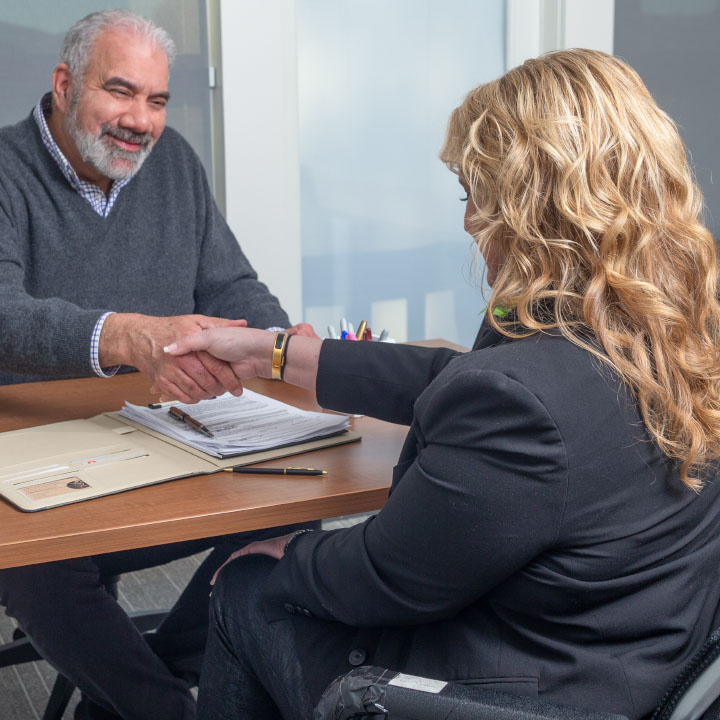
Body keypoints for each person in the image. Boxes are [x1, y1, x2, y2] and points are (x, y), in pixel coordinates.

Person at [166, 49, 720, 720]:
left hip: (507, 693)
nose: (467, 223)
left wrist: (285, 554)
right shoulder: (671, 331)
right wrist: (275, 353)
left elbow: (387, 579)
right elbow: (463, 380)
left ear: (526, 207)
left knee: (247, 589)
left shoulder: (524, 396)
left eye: (473, 196)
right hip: (629, 661)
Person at [0, 10, 316, 720]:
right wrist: (127, 336)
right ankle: (162, 705)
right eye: (120, 92)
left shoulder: (171, 162)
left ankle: (131, 692)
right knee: (37, 566)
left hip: (161, 442)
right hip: (32, 461)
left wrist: (280, 340)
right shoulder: (4, 171)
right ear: (63, 84)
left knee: (291, 518)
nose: (141, 121)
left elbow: (229, 283)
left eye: (157, 99)